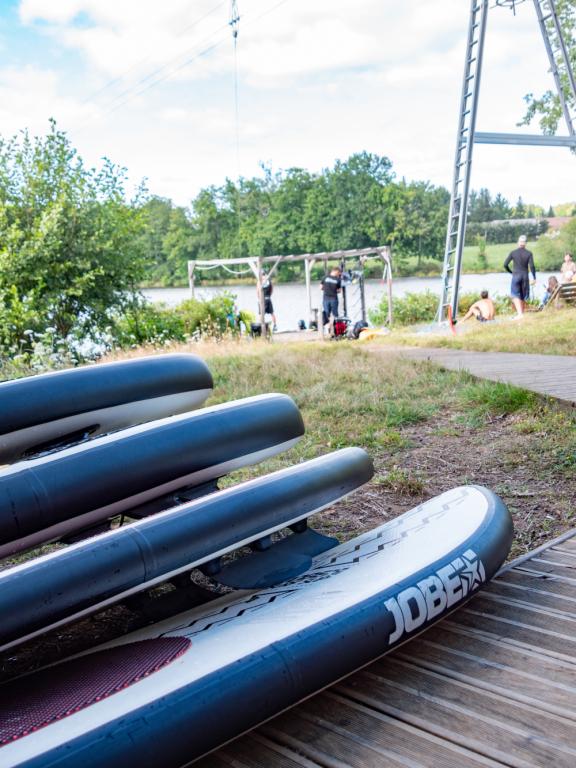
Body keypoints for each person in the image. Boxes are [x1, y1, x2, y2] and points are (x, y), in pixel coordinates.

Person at [503, 235, 536, 319]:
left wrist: (511, 272)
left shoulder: (513, 253)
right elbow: (532, 266)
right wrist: (534, 277)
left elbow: (505, 264)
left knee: (514, 295)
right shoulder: (529, 253)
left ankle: (520, 314)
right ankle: (521, 313)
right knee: (523, 295)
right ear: (525, 244)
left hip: (516, 275)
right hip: (525, 276)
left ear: (518, 243)